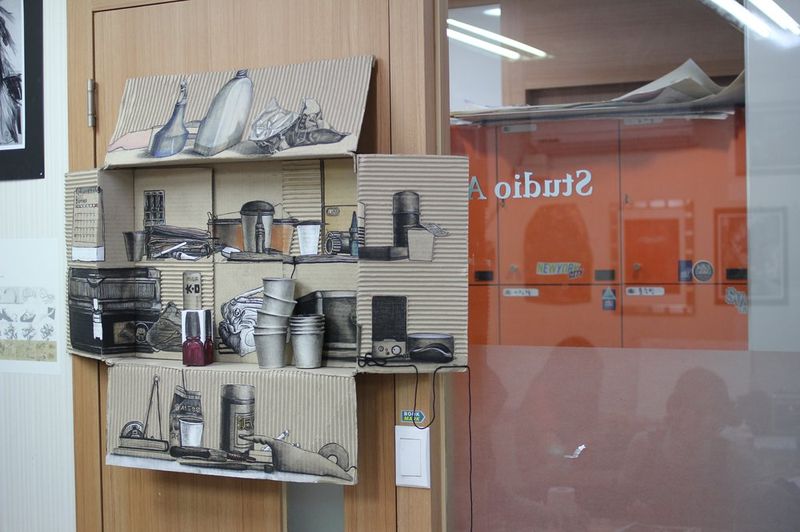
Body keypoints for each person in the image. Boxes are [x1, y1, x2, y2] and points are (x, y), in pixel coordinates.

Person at [618, 366, 753, 529]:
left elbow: (742, 519)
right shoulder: (644, 445)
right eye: (701, 410)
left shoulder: (731, 455)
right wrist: (634, 510)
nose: (711, 420)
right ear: (675, 408)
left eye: (717, 411)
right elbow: (620, 501)